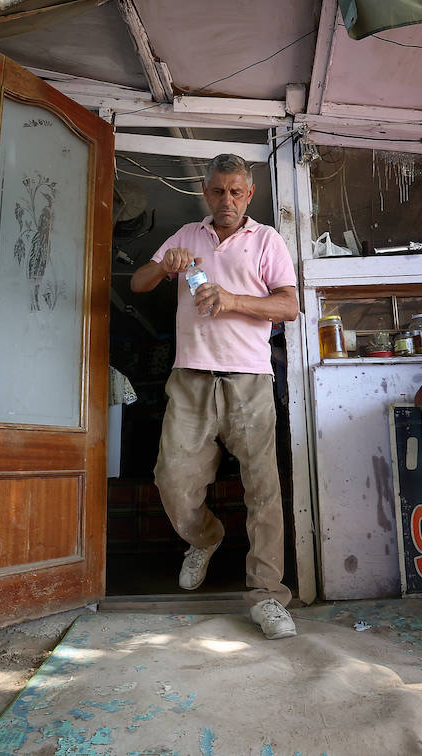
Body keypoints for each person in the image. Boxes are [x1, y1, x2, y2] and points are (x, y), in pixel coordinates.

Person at [129, 153, 300, 639]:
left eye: (236, 191)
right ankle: (205, 538)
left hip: (249, 378)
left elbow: (289, 305)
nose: (227, 199)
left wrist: (231, 299)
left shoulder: (266, 239)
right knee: (172, 481)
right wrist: (165, 266)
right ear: (207, 193)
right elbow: (139, 283)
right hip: (191, 378)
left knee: (263, 490)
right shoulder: (186, 235)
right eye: (218, 191)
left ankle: (267, 596)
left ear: (249, 195)